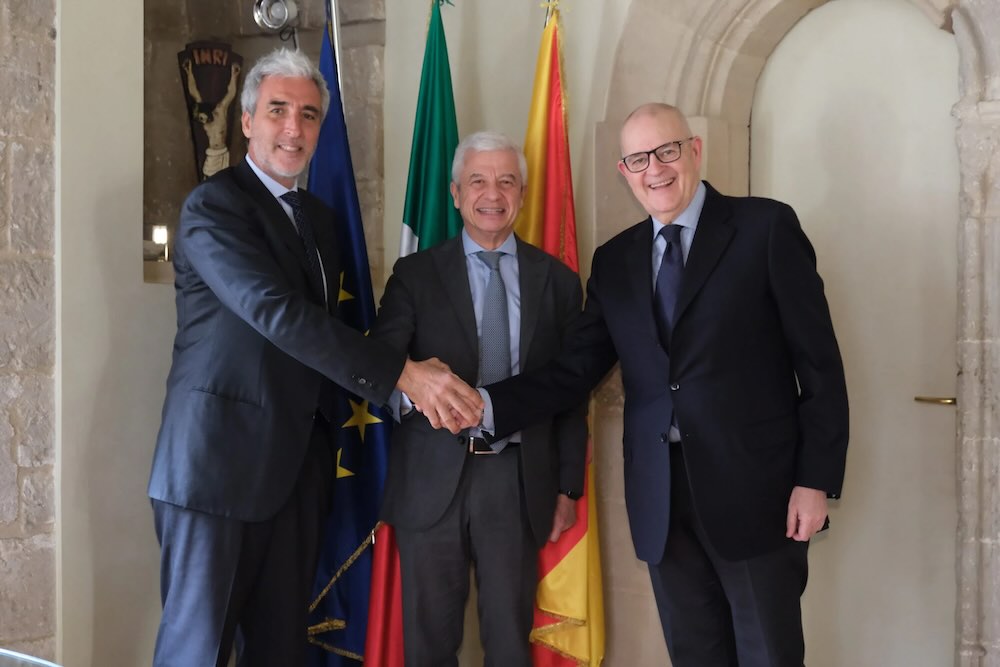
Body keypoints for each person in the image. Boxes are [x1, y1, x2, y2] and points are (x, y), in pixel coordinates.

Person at [147, 48, 482, 667]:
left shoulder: (319, 221)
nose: (293, 128)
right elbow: (275, 312)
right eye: (278, 110)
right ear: (247, 120)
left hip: (298, 474)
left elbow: (333, 332)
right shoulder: (213, 207)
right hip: (216, 473)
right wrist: (404, 376)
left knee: (282, 653)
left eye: (308, 114)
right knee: (198, 653)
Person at [481, 103, 849, 667]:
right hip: (661, 498)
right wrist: (486, 406)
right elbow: (574, 370)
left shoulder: (765, 228)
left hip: (758, 495)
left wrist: (814, 480)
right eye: (638, 158)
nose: (654, 168)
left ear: (694, 151)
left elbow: (819, 365)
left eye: (667, 150)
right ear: (624, 171)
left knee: (769, 655)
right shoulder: (615, 260)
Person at [372, 130, 588, 666]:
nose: (493, 194)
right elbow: (379, 367)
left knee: (510, 642)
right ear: (455, 193)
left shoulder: (558, 282)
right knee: (428, 645)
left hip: (516, 482)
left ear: (522, 194)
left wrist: (568, 487)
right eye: (477, 181)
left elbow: (570, 391)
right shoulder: (415, 274)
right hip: (430, 479)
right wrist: (421, 397)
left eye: (507, 181)